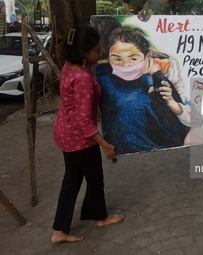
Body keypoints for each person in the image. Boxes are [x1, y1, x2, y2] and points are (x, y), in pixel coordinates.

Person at [51, 25, 124, 243]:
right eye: (96, 50)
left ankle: (59, 230)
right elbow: (85, 122)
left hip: (65, 133)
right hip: (79, 139)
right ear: (84, 52)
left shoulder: (69, 68)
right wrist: (105, 145)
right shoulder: (82, 79)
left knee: (72, 180)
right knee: (95, 179)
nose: (100, 53)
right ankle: (100, 217)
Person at [96, 26, 203, 154]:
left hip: (164, 141)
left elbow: (196, 118)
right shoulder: (104, 76)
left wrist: (173, 103)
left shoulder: (166, 69)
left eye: (133, 59)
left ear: (147, 56)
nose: (125, 65)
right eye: (117, 59)